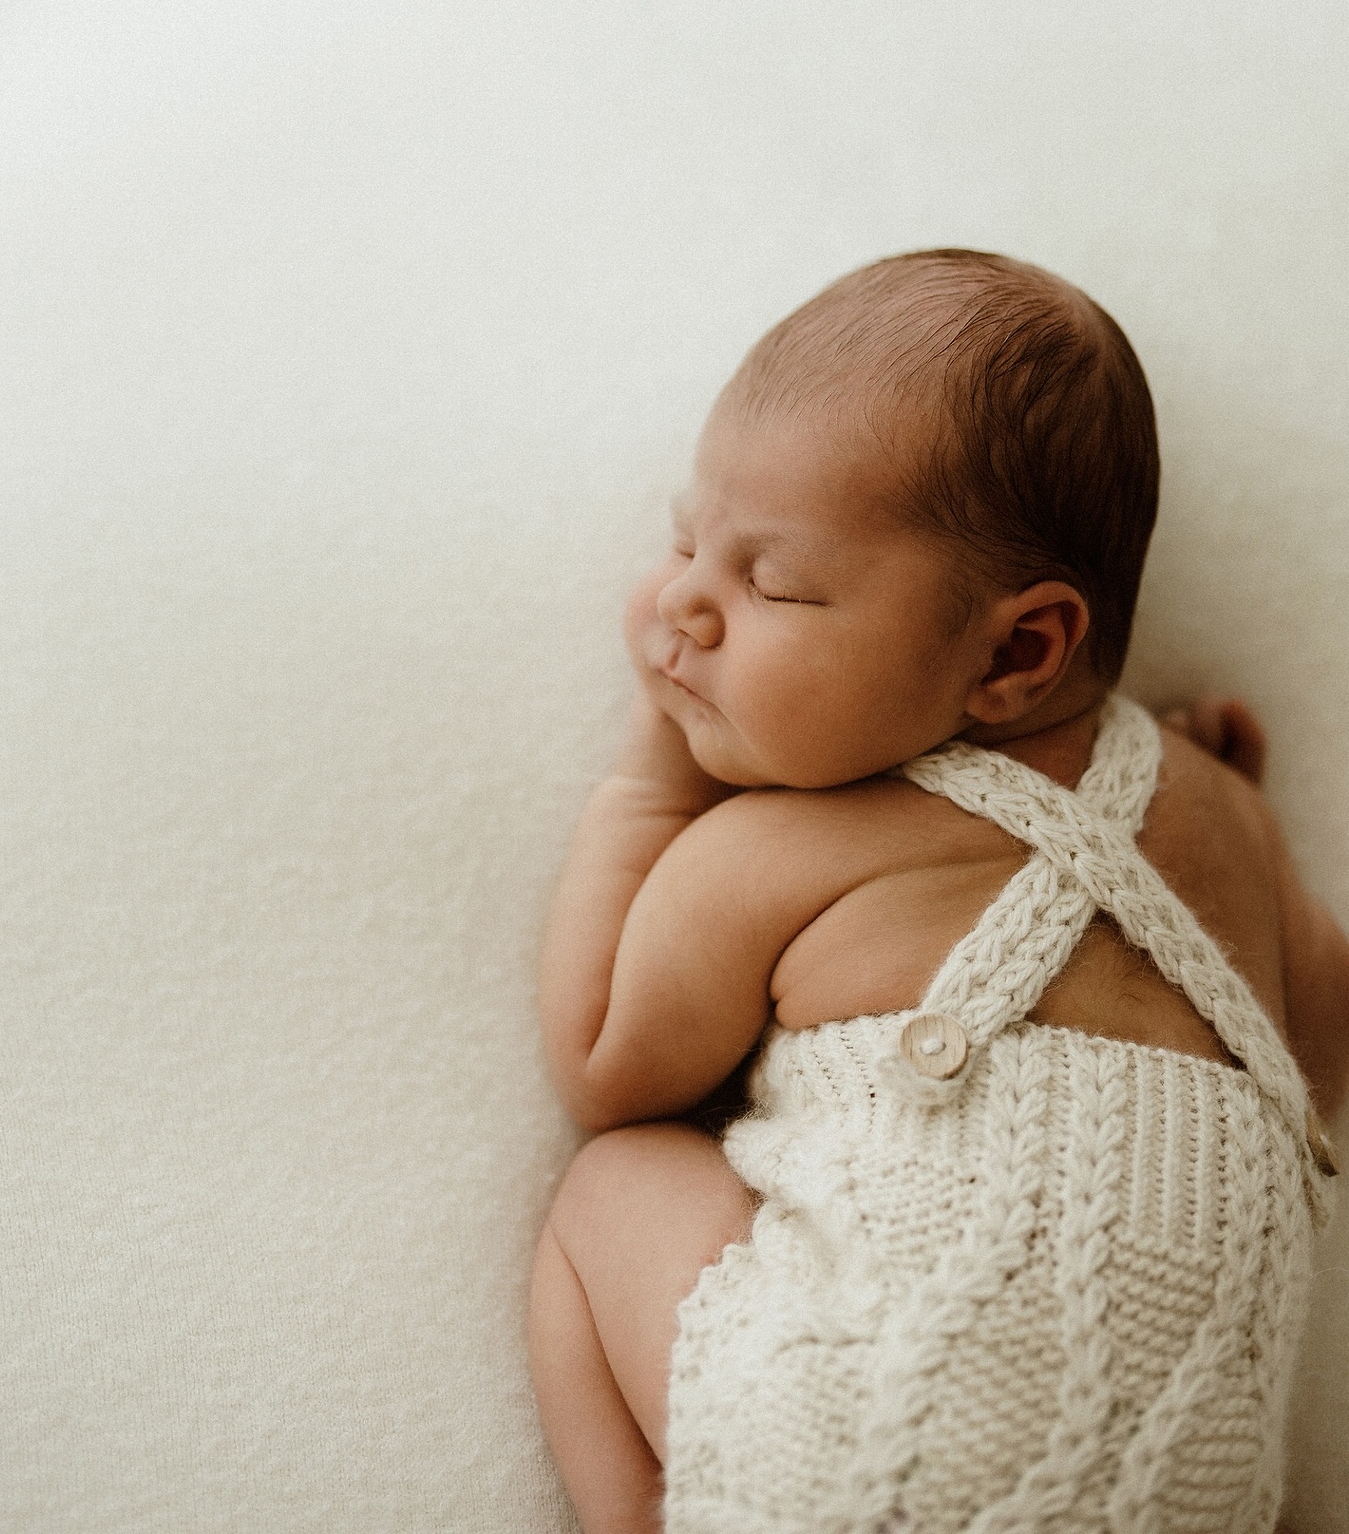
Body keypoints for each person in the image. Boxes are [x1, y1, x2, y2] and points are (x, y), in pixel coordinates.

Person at [528, 250, 1347, 1534]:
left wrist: (652, 783)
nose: (683, 603)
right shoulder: (1226, 816)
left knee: (611, 1185)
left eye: (770, 582)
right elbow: (1324, 1055)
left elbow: (603, 1068)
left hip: (846, 1468)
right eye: (690, 540)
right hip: (1191, 1496)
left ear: (1017, 651)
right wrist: (1230, 834)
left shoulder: (779, 850)